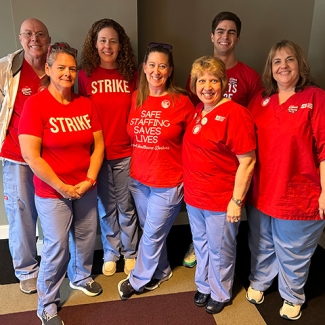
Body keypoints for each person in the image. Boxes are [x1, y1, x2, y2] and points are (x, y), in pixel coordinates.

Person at [18, 42, 104, 325]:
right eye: (61, 68)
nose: (67, 73)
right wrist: (63, 187)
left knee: (84, 237)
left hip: (84, 187)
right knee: (56, 248)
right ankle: (46, 304)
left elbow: (98, 146)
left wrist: (90, 179)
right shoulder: (36, 105)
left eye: (72, 68)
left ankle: (80, 276)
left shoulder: (85, 104)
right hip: (52, 192)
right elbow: (31, 156)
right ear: (48, 69)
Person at [245, 40, 325, 321]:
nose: (283, 66)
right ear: (270, 68)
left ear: (300, 65)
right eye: (277, 61)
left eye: (289, 60)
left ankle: (292, 295)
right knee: (261, 242)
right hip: (262, 189)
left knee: (293, 250)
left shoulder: (315, 97)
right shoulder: (260, 101)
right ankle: (261, 280)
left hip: (298, 192)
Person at [183, 11, 262, 268]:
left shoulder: (249, 77)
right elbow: (195, 112)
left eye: (230, 32)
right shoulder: (197, 79)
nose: (224, 36)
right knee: (204, 235)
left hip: (229, 165)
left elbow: (253, 121)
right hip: (201, 174)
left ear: (237, 38)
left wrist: (237, 197)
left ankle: (219, 282)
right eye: (220, 31)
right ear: (212, 36)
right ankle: (200, 254)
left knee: (222, 241)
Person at [117, 42, 195, 300]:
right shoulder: (136, 98)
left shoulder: (182, 102)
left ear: (170, 70)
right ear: (144, 67)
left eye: (162, 65)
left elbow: (196, 143)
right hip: (139, 180)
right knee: (152, 230)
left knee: (150, 234)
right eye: (152, 65)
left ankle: (138, 280)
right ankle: (161, 270)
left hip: (169, 182)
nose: (156, 70)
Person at [183, 56, 256, 314]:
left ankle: (220, 292)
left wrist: (236, 201)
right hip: (195, 197)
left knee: (221, 248)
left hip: (220, 200)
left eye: (214, 80)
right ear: (194, 84)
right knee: (201, 244)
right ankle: (204, 285)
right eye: (201, 80)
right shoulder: (198, 111)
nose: (207, 86)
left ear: (223, 83)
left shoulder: (236, 113)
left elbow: (247, 161)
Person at [79, 18, 139, 277]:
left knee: (126, 205)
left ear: (121, 45)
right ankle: (111, 252)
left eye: (113, 41)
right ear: (94, 44)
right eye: (102, 40)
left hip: (126, 152)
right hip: (97, 155)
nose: (107, 46)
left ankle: (131, 251)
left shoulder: (131, 75)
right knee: (105, 207)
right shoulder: (83, 76)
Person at [0, 18, 51, 294]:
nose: (35, 39)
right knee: (21, 214)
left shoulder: (57, 66)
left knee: (51, 212)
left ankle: (53, 262)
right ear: (20, 38)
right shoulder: (7, 67)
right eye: (29, 34)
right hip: (17, 157)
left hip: (50, 156)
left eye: (40, 34)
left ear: (48, 39)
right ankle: (27, 269)